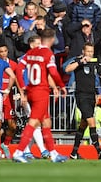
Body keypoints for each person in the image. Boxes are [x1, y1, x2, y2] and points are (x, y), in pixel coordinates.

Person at [12, 29, 68, 163]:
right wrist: (61, 85)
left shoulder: (31, 52)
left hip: (31, 89)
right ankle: (19, 152)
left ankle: (53, 153)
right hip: (40, 92)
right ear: (52, 39)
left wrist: (23, 87)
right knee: (33, 122)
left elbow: (19, 68)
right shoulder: (48, 53)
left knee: (46, 122)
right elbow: (53, 72)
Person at [66, 42, 101, 160]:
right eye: (88, 51)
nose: (90, 54)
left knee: (83, 124)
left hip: (91, 96)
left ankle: (74, 153)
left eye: (91, 52)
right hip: (81, 96)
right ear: (83, 51)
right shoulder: (77, 60)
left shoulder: (95, 62)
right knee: (92, 122)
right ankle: (99, 150)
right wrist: (80, 62)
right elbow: (67, 69)